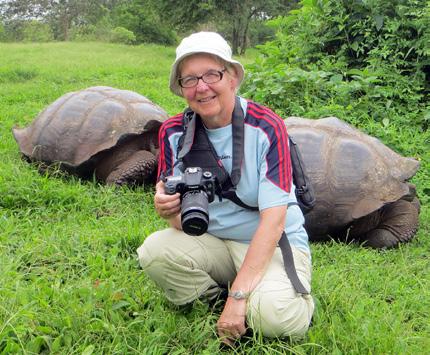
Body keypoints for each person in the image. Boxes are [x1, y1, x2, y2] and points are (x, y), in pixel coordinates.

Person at [137, 31, 314, 345]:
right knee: (154, 252)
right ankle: (220, 297)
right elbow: (180, 219)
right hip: (215, 241)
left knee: (274, 318)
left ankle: (274, 298)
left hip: (271, 242)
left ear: (232, 77)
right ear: (181, 89)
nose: (201, 87)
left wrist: (240, 296)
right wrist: (166, 209)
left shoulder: (266, 126)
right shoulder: (173, 132)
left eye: (211, 75)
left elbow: (274, 222)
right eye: (189, 79)